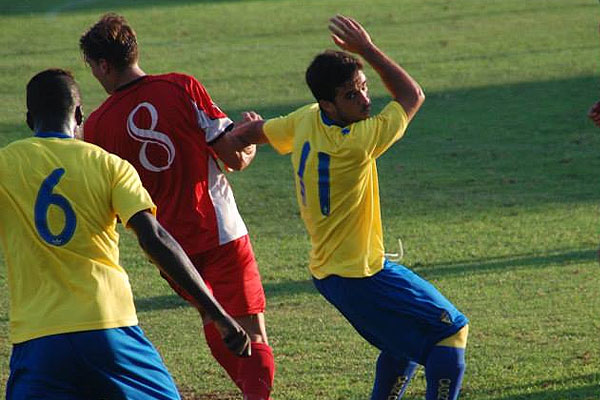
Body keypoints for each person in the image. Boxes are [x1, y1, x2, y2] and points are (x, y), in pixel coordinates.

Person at [223, 15, 470, 400]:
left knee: (403, 345)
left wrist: (247, 131)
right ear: (329, 103)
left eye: (364, 89)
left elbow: (253, 133)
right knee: (450, 330)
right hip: (362, 275)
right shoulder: (356, 142)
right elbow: (412, 96)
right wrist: (367, 49)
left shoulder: (305, 120)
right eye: (351, 95)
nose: (365, 101)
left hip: (332, 275)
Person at [0, 68, 251, 399]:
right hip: (109, 328)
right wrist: (215, 312)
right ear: (79, 115)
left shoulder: (5, 164)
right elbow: (155, 239)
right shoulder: (110, 165)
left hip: (38, 338)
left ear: (30, 118)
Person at [79, 14, 274, 400]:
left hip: (167, 247)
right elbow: (232, 158)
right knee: (251, 332)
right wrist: (249, 142)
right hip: (220, 232)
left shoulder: (97, 127)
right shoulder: (182, 87)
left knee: (214, 317)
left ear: (103, 65)